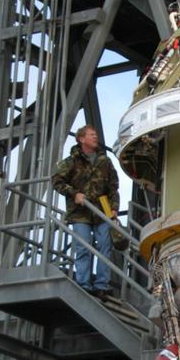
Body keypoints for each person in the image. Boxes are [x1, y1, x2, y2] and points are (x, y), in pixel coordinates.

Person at [52, 125, 120, 295]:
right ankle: (84, 284)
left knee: (105, 246)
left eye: (96, 134)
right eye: (92, 134)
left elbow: (113, 187)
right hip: (79, 213)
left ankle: (102, 285)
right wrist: (74, 194)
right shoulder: (71, 161)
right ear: (81, 139)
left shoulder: (105, 162)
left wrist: (114, 208)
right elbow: (57, 181)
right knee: (83, 247)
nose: (95, 137)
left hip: (101, 211)